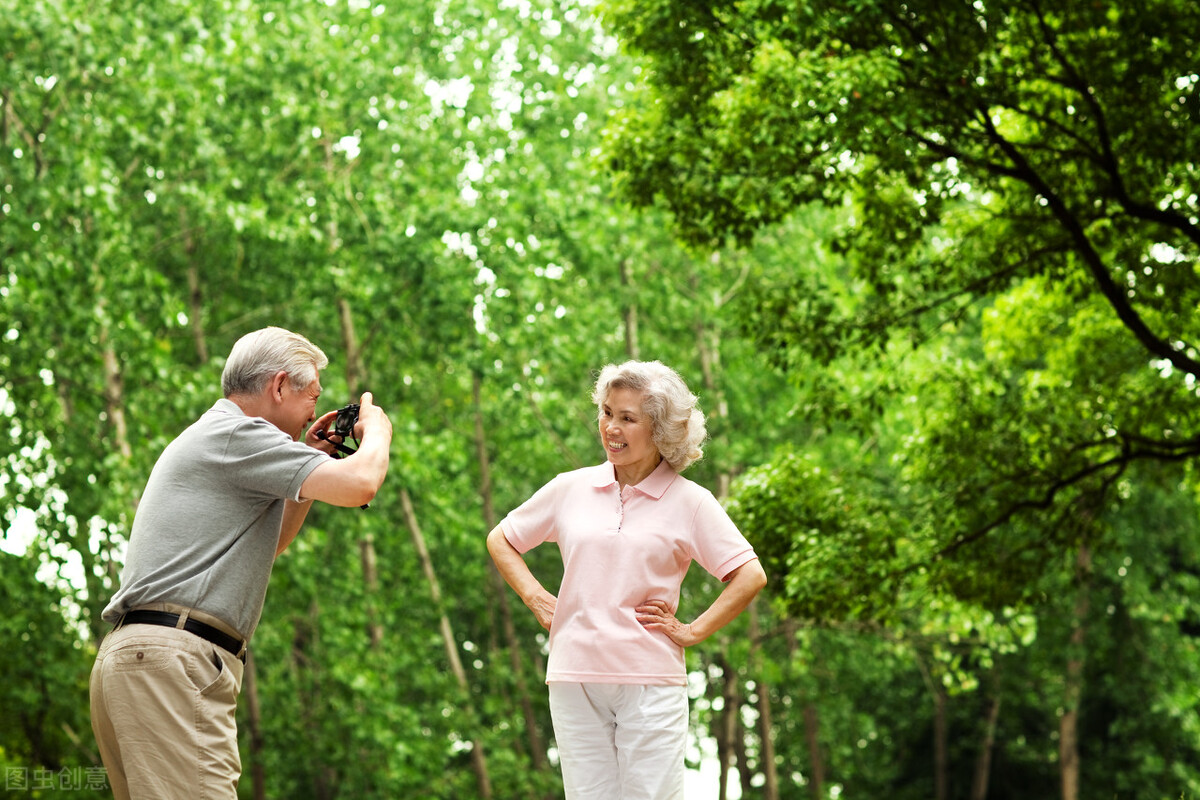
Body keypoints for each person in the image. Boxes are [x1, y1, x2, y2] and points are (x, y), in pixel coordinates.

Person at [89, 326, 392, 800]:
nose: (316, 409)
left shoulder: (221, 436)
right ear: (277, 386)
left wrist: (313, 458)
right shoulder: (238, 434)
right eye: (311, 394)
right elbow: (361, 484)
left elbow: (269, 544)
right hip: (175, 661)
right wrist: (377, 432)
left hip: (143, 659)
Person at [487, 360, 767, 800]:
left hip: (649, 681)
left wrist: (691, 631)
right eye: (606, 412)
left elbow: (749, 575)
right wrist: (535, 597)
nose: (610, 427)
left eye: (627, 418)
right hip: (573, 675)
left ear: (660, 429)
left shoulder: (691, 502)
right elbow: (502, 539)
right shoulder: (569, 488)